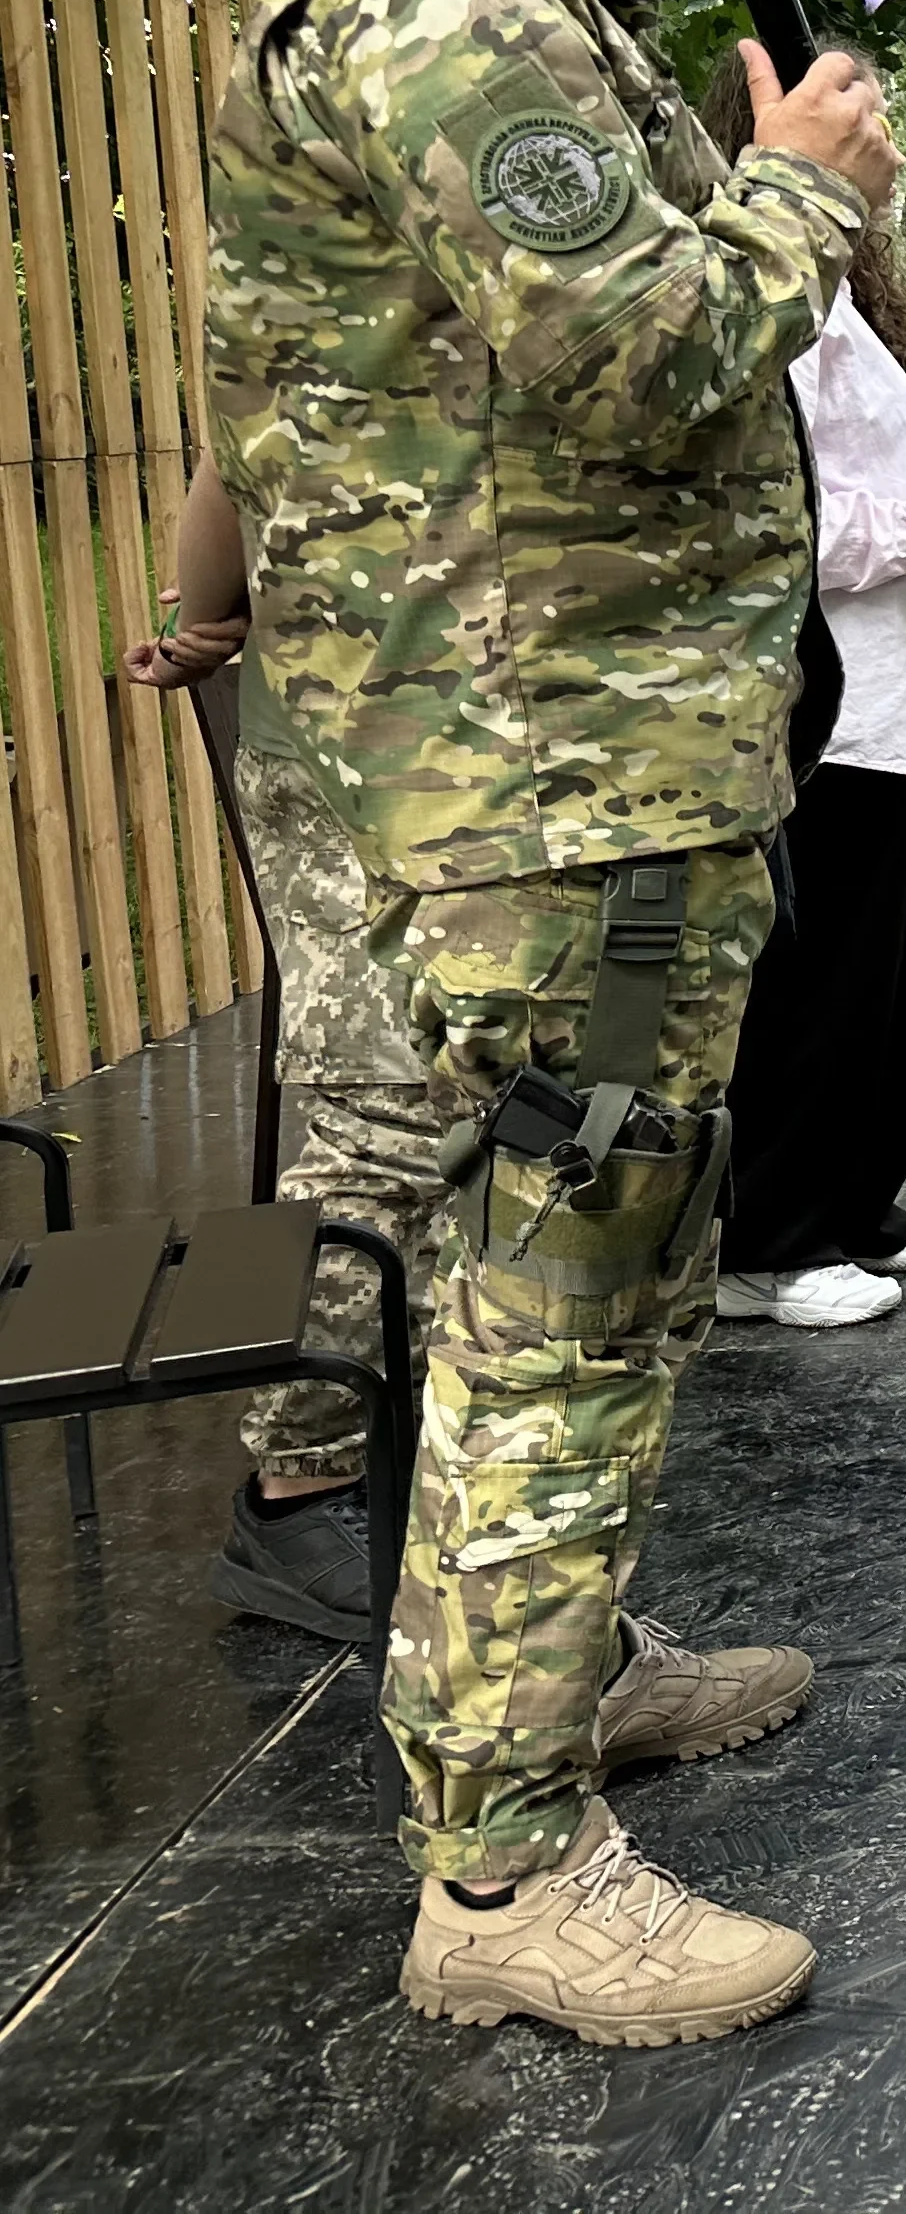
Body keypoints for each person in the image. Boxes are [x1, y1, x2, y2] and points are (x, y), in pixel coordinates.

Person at [204, 0, 885, 2037]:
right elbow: (634, 362)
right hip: (549, 786)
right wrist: (796, 186)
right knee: (563, 1282)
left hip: (579, 763)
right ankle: (502, 1883)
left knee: (597, 1248)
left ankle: (560, 1667)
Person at [697, 45, 906, 1329]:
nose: (886, 135)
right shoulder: (766, 306)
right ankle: (767, 1240)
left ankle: (854, 1200)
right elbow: (770, 526)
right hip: (828, 705)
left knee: (891, 976)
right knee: (817, 980)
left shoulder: (851, 303)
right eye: (861, 111)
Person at [126, 462, 460, 1638]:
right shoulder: (318, 284)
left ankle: (401, 1438)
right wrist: (206, 613)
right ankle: (298, 1484)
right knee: (383, 1110)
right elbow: (218, 504)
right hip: (359, 742)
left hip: (493, 741)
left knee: (475, 1101)